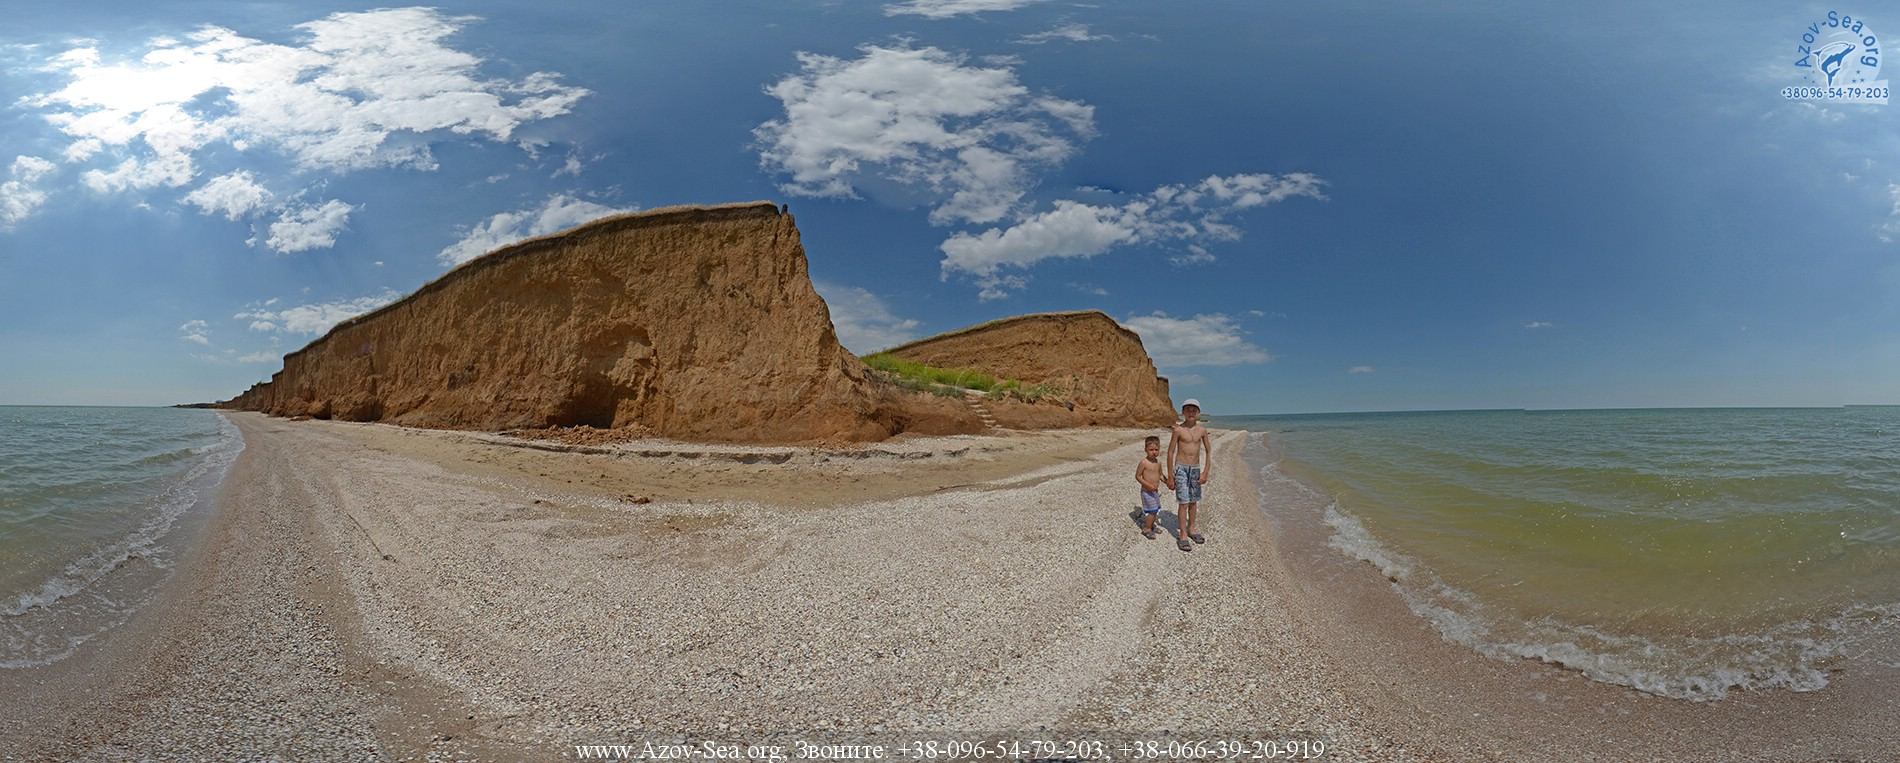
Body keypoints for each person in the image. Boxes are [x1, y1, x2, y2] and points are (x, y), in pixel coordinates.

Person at [1168, 399, 1211, 552]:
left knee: (1193, 501)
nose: (1191, 413)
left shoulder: (1202, 431)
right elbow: (1171, 452)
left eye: (1194, 410)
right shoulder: (1178, 430)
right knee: (1183, 502)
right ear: (1183, 412)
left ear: (1198, 413)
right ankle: (1183, 534)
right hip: (1181, 468)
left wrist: (1205, 472)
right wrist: (1170, 476)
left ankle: (1192, 528)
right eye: (1188, 410)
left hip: (1195, 469)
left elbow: (1208, 451)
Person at [1134, 435, 1169, 539]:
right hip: (1146, 491)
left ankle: (1151, 525)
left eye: (1156, 449)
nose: (1154, 452)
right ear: (1145, 450)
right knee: (1152, 510)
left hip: (1155, 491)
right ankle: (1147, 528)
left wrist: (1167, 482)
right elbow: (1138, 476)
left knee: (1156, 509)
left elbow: (1161, 475)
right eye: (1151, 450)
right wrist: (1147, 485)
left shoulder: (1158, 462)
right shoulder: (1144, 462)